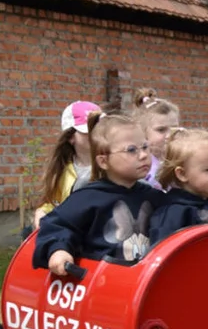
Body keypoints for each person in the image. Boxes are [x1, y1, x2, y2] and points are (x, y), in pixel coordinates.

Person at [33, 112, 165, 275]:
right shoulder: (88, 198)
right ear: (103, 161)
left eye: (145, 147)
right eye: (131, 150)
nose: (144, 155)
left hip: (144, 285)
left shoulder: (155, 197)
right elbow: (57, 224)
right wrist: (58, 250)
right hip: (102, 286)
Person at [32, 101, 102, 229]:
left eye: (99, 129)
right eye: (88, 130)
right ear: (70, 137)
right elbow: (54, 203)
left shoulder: (113, 164)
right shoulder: (62, 171)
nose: (95, 135)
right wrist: (42, 212)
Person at [129, 88, 181, 190]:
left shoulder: (183, 160)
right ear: (142, 133)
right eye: (161, 130)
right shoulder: (141, 167)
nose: (169, 135)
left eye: (174, 128)